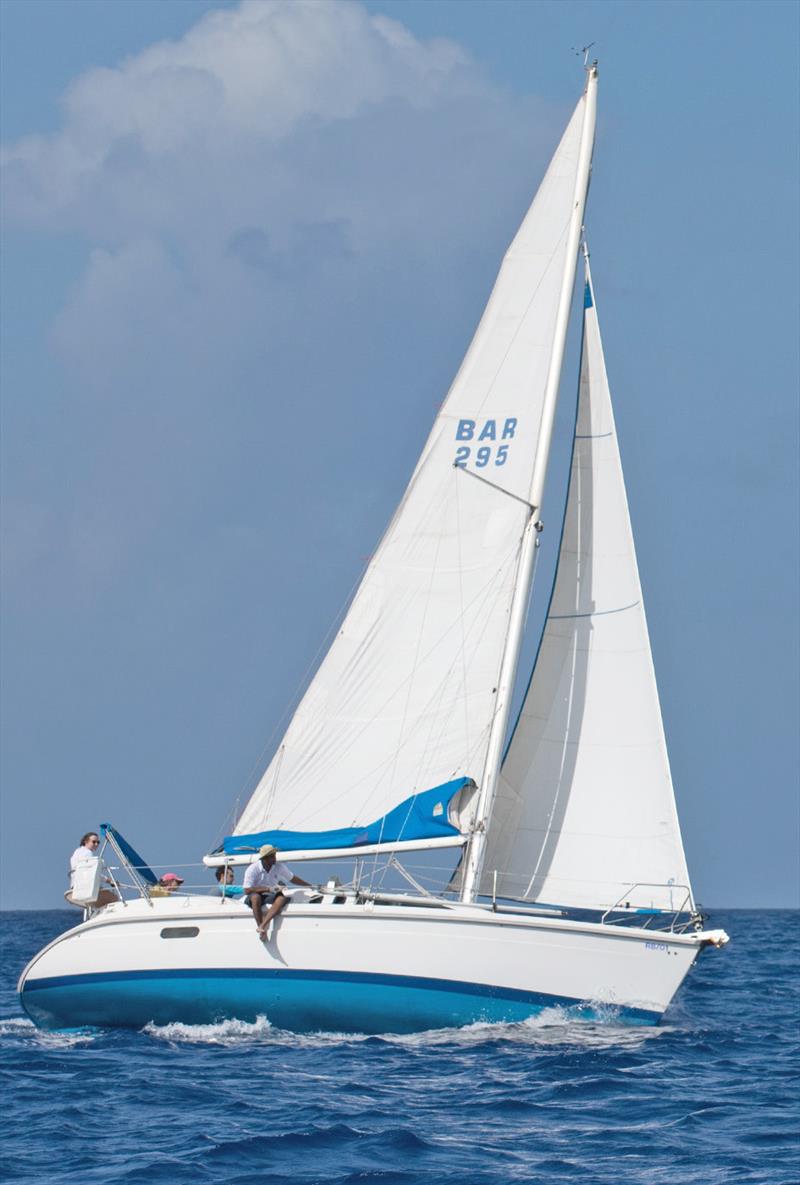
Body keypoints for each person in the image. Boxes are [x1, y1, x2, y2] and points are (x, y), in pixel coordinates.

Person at [243, 844, 309, 938]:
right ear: (265, 858)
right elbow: (247, 890)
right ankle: (260, 927)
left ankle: (263, 925)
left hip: (269, 895)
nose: (275, 858)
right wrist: (268, 888)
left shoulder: (279, 866)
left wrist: (309, 885)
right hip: (255, 894)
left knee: (281, 898)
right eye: (272, 856)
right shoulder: (253, 869)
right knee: (255, 897)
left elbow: (292, 878)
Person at [68, 831, 118, 907]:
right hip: (86, 887)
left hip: (75, 886)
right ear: (86, 842)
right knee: (114, 898)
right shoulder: (88, 853)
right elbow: (93, 873)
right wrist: (109, 881)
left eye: (98, 842)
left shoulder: (77, 852)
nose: (96, 844)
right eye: (94, 842)